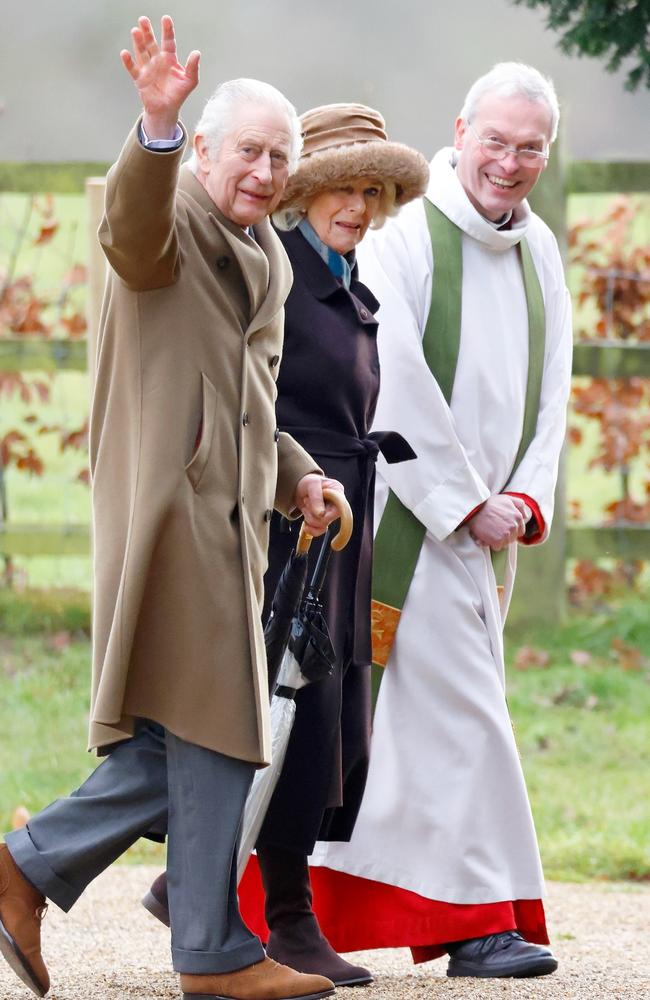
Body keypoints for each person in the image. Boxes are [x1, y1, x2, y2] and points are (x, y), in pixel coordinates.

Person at [0, 16, 343, 1000]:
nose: (265, 169)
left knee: (184, 733)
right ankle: (205, 947)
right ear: (202, 150)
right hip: (169, 514)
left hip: (231, 524)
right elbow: (128, 233)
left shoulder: (266, 256)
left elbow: (249, 401)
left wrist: (297, 476)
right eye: (247, 149)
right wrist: (151, 126)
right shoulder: (167, 217)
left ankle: (58, 885)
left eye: (280, 156)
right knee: (220, 722)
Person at [141, 103, 428, 988]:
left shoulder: (343, 271)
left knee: (331, 720)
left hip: (338, 508)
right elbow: (250, 401)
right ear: (303, 193)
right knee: (289, 722)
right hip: (284, 522)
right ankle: (282, 915)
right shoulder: (279, 268)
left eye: (373, 189)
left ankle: (196, 885)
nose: (359, 203)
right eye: (342, 185)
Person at [307, 62, 573, 979]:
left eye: (530, 147)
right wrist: (466, 503)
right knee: (465, 717)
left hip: (493, 530)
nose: (509, 162)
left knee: (418, 733)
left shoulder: (539, 250)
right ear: (461, 130)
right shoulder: (406, 236)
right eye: (495, 140)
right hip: (408, 525)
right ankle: (478, 922)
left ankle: (257, 892)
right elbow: (396, 383)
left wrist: (527, 499)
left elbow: (553, 394)